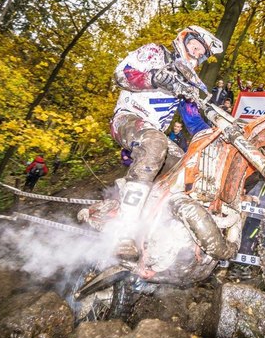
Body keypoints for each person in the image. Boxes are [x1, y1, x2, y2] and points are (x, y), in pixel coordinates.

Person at [81, 26, 222, 223]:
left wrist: (213, 135)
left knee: (185, 165)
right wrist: (153, 78)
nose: (197, 54)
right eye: (195, 47)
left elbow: (192, 119)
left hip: (153, 133)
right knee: (155, 142)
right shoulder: (155, 53)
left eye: (201, 53)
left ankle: (126, 206)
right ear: (184, 39)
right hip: (128, 117)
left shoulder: (187, 83)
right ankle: (125, 225)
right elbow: (121, 75)